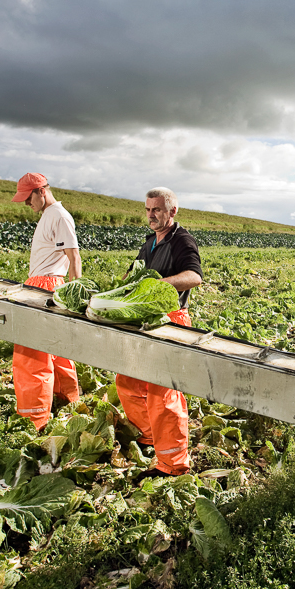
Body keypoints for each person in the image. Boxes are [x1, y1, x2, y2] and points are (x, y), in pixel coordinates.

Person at [115, 187, 203, 476]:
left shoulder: (182, 240)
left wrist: (157, 286)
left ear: (172, 211)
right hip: (145, 319)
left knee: (163, 392)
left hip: (171, 320)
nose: (151, 215)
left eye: (157, 210)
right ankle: (148, 438)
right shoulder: (150, 242)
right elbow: (132, 273)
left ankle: (173, 464)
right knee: (128, 380)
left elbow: (194, 277)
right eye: (148, 209)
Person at [10, 173, 83, 430]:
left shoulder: (59, 215)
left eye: (28, 197)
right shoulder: (50, 215)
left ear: (41, 191)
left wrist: (76, 295)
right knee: (57, 349)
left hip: (45, 285)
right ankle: (66, 403)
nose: (26, 203)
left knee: (31, 353)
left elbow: (74, 257)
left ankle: (34, 420)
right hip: (44, 283)